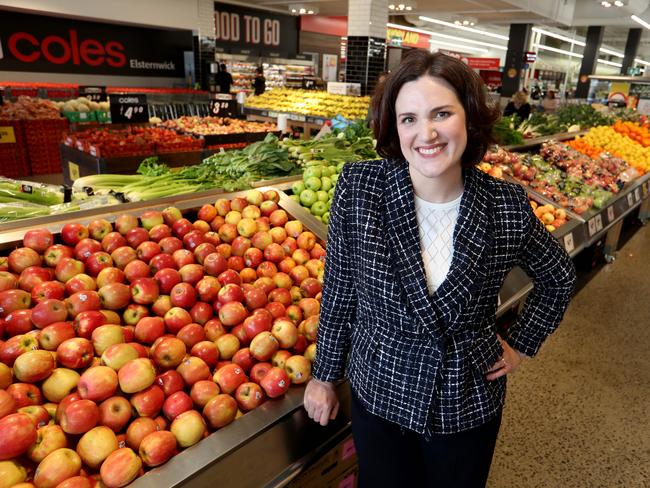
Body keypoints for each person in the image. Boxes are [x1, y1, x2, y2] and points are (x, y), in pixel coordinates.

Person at [303, 50, 576, 488]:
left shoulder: (504, 204)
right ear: (394, 126)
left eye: (442, 113)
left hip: (465, 399)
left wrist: (522, 345)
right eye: (408, 118)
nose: (425, 133)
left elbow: (558, 277)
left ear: (469, 116)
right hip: (380, 392)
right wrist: (324, 376)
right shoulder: (360, 188)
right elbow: (339, 290)